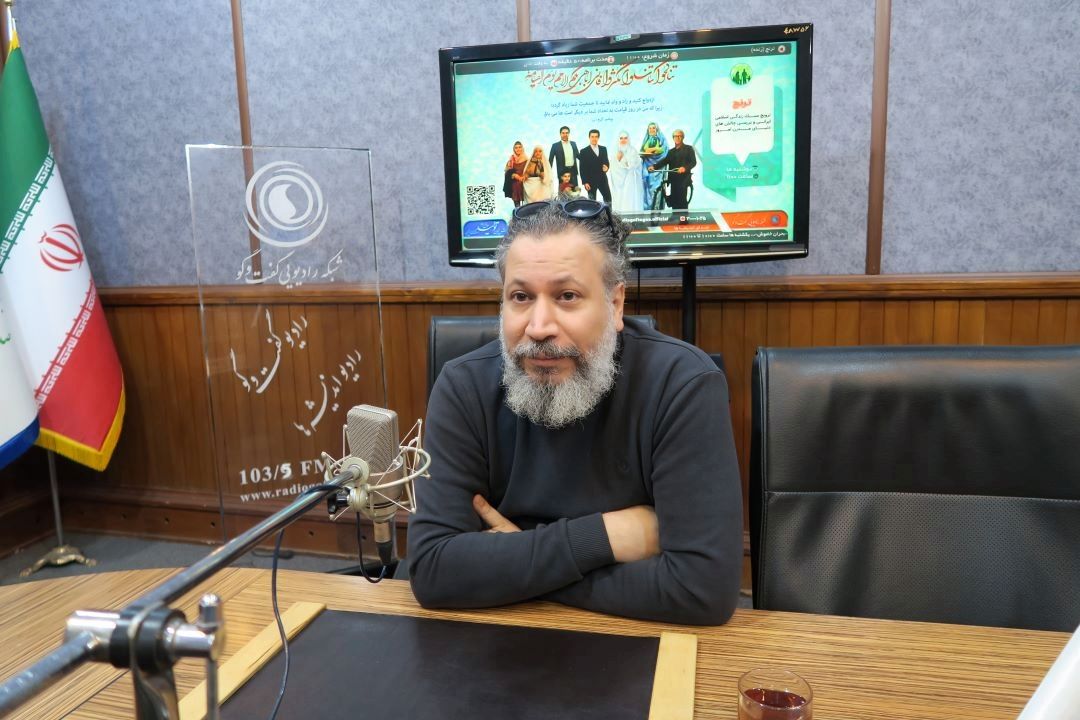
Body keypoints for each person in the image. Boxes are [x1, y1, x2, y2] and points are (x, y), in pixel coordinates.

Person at [407, 197, 743, 625]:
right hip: (493, 640)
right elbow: (433, 570)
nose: (539, 327)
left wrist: (516, 556)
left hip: (636, 647)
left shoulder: (682, 385)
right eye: (520, 297)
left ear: (615, 305)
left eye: (567, 296)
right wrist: (606, 537)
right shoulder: (462, 387)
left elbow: (702, 590)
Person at [647, 129, 697, 210]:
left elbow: (693, 162)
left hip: (684, 178)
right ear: (673, 138)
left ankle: (683, 216)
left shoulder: (689, 149)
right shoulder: (671, 152)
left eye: (679, 136)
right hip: (673, 178)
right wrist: (654, 167)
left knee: (681, 199)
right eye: (675, 136)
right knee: (674, 199)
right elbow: (665, 161)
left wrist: (684, 168)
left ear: (683, 137)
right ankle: (674, 214)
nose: (677, 138)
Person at [609, 130, 643, 212]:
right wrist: (618, 159)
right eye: (621, 138)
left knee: (630, 198)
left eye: (625, 138)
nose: (623, 140)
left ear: (628, 139)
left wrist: (624, 161)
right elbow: (613, 166)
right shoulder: (615, 151)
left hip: (631, 180)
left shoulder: (633, 150)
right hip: (618, 181)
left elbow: (635, 164)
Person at [639, 122, 669, 209]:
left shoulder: (662, 139)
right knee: (647, 188)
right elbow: (643, 150)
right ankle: (647, 208)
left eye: (653, 128)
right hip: (647, 167)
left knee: (657, 189)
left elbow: (664, 151)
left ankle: (656, 208)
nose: (652, 130)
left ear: (657, 129)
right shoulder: (646, 139)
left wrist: (655, 151)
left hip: (658, 168)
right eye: (650, 128)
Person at [578, 129, 612, 203]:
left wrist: (606, 167)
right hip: (590, 181)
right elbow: (582, 168)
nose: (594, 138)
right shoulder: (583, 151)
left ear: (598, 138)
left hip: (602, 179)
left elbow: (606, 162)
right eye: (592, 136)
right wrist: (585, 182)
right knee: (592, 203)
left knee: (608, 199)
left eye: (596, 136)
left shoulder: (603, 149)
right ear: (589, 137)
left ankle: (609, 211)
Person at [548, 126, 579, 192]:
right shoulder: (555, 145)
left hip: (573, 172)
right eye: (563, 133)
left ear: (569, 134)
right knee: (563, 194)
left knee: (575, 192)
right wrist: (548, 174)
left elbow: (578, 156)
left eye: (567, 133)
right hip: (562, 173)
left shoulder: (573, 144)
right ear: (560, 134)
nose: (565, 134)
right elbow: (550, 160)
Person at [503, 141, 528, 207]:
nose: (518, 149)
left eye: (520, 147)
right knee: (515, 186)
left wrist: (524, 177)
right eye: (516, 148)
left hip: (524, 181)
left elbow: (529, 171)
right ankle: (517, 210)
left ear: (522, 148)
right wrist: (514, 175)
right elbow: (507, 172)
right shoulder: (511, 160)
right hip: (515, 184)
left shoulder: (527, 160)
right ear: (514, 149)